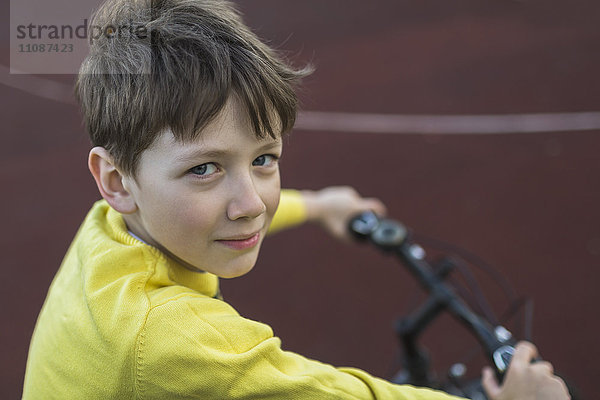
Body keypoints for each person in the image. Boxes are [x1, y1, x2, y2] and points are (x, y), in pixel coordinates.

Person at [22, 0, 571, 399]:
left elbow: (235, 208)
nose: (252, 203)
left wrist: (319, 204)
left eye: (264, 159)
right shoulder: (170, 342)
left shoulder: (110, 231)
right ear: (116, 181)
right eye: (205, 169)